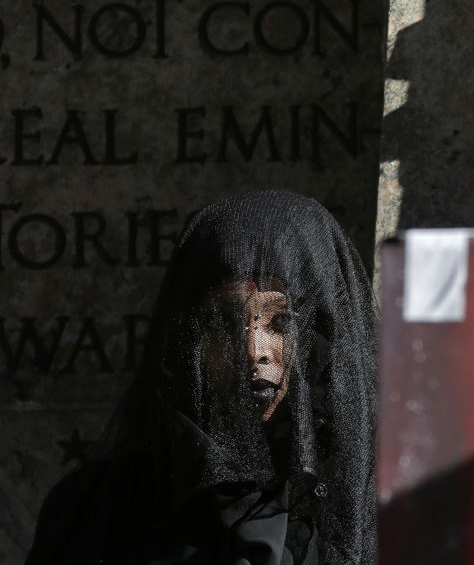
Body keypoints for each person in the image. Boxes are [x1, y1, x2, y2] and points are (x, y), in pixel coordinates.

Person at [26, 190, 378, 565]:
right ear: (186, 336)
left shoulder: (372, 503)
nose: (251, 350)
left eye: (281, 322)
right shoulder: (96, 510)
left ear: (320, 336)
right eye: (221, 321)